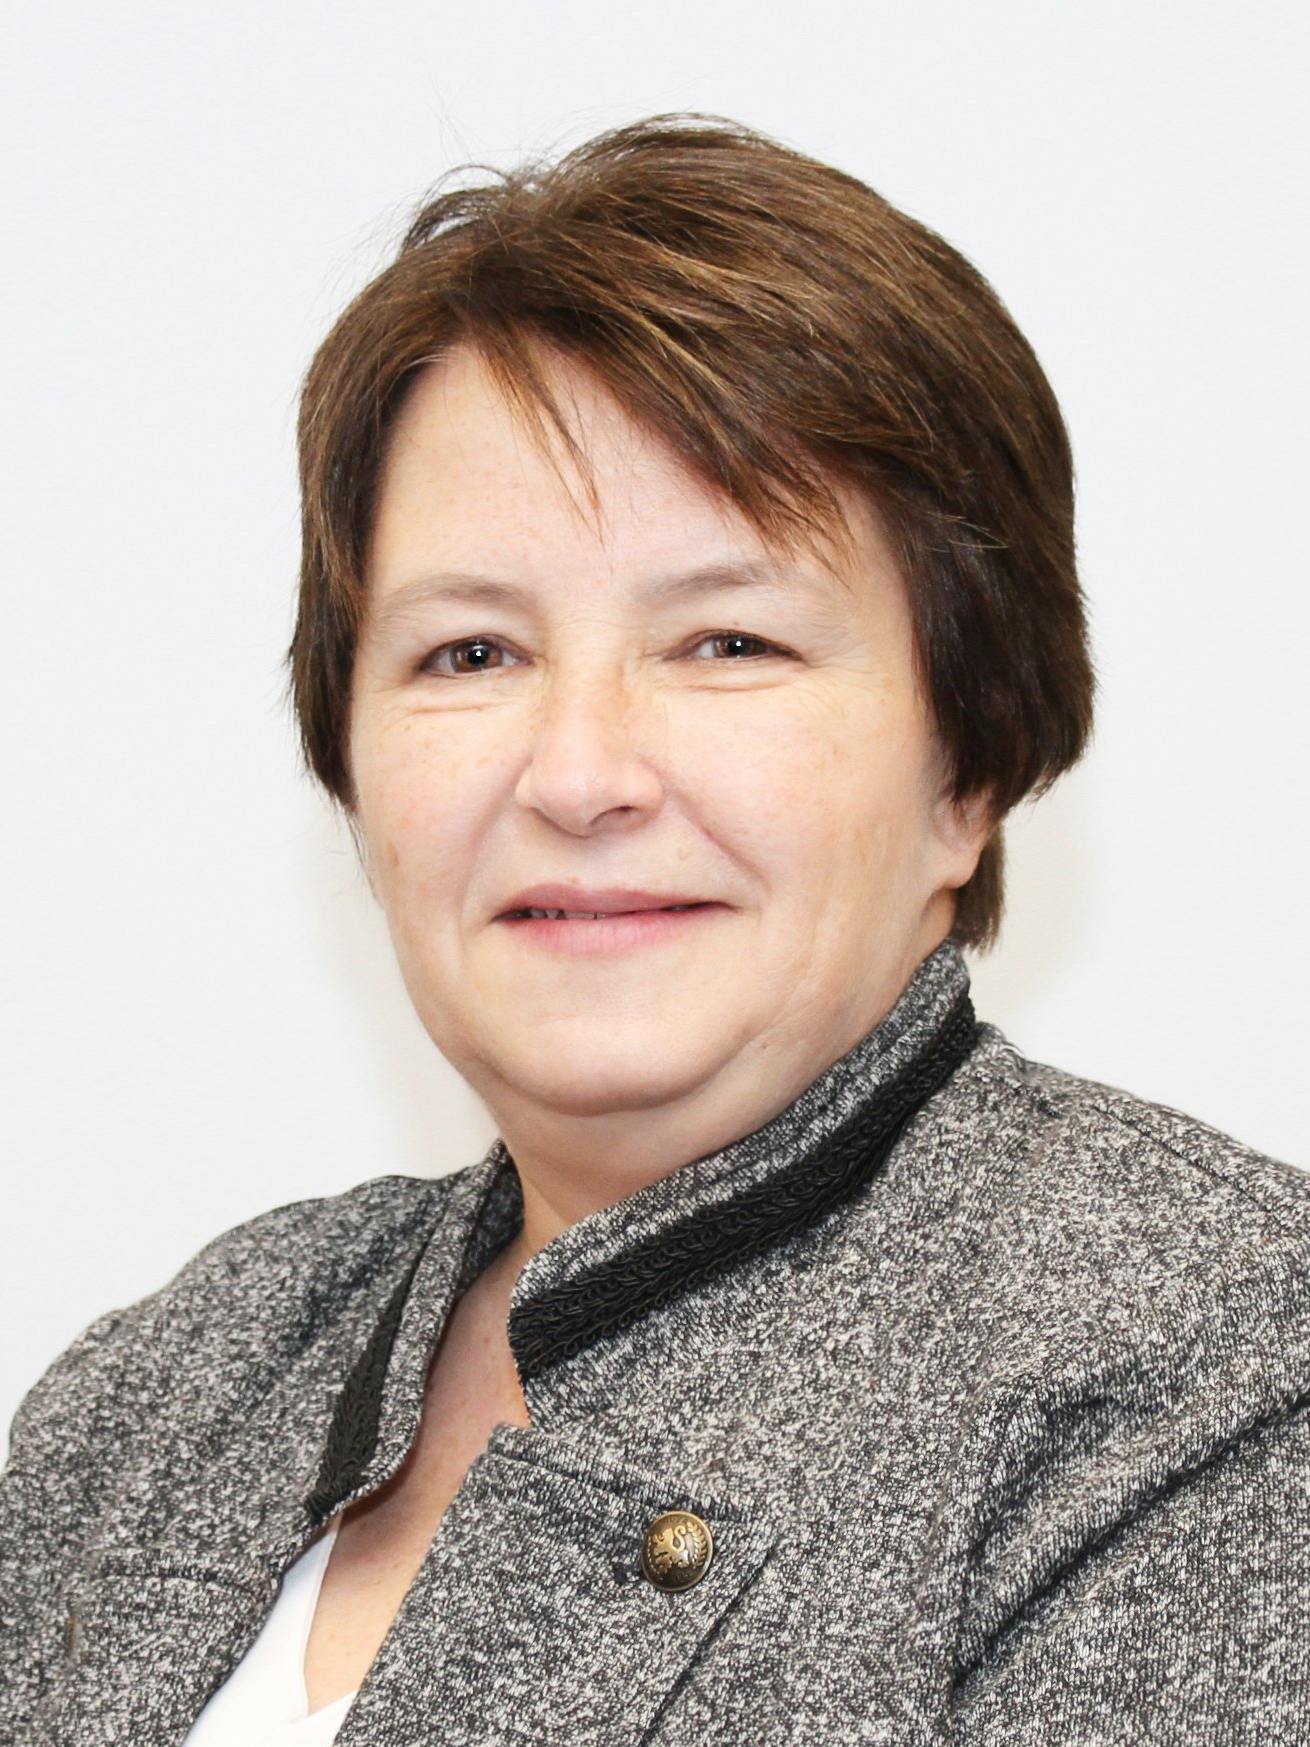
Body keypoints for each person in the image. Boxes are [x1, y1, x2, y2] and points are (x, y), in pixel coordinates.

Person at [2, 113, 1307, 1747]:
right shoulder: (166, 1388)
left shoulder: (1218, 1366)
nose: (577, 773)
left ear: (967, 768)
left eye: (727, 642)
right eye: (470, 654)